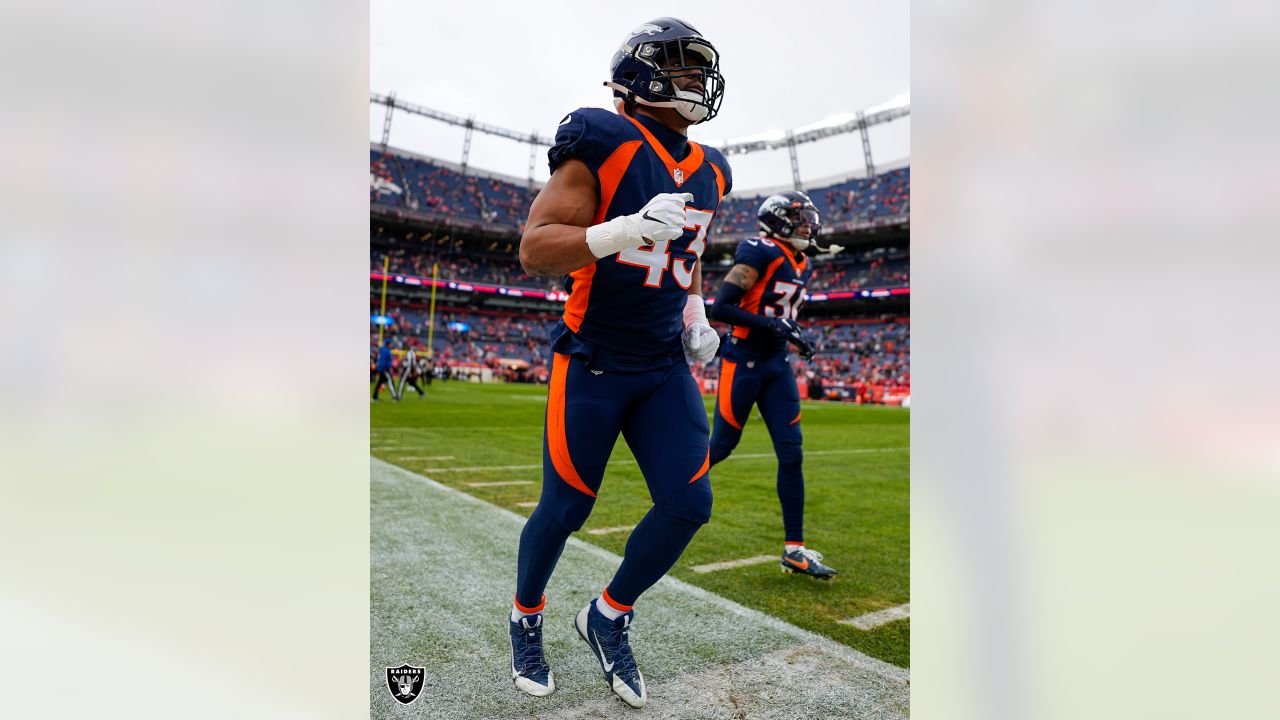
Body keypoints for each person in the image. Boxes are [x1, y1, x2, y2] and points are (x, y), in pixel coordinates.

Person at [508, 18, 729, 709]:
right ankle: (527, 615)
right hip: (595, 357)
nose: (695, 80)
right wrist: (623, 229)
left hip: (664, 363)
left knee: (690, 501)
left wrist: (696, 313)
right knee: (568, 504)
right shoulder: (601, 137)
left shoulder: (714, 167)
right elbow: (537, 246)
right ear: (638, 76)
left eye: (700, 70)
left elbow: (685, 256)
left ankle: (607, 614)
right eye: (681, 67)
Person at [707, 191, 843, 579]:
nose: (808, 227)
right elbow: (722, 308)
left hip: (777, 365)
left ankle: (794, 550)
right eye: (801, 220)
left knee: (792, 454)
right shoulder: (760, 251)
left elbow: (780, 314)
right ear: (779, 221)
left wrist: (795, 335)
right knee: (721, 446)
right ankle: (672, 495)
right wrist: (774, 326)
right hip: (744, 361)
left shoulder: (802, 261)